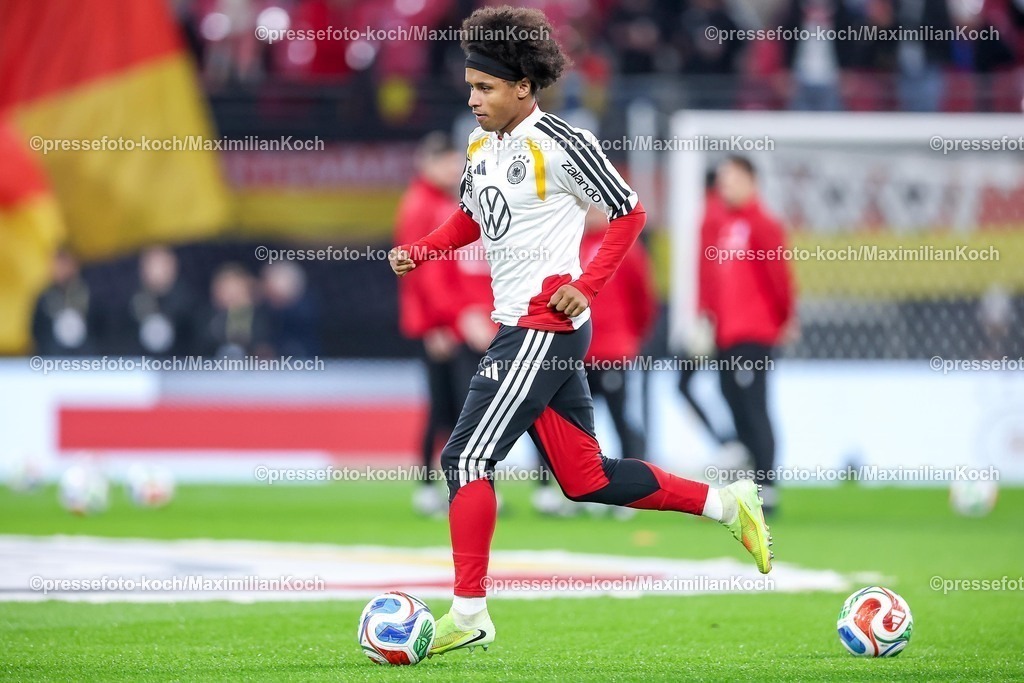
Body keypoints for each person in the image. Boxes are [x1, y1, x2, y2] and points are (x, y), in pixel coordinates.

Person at [388, 6, 773, 657]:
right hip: (530, 329)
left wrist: (585, 285)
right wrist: (424, 249)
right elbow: (470, 219)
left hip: (545, 326)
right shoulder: (482, 147)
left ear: (523, 87)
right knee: (585, 478)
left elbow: (628, 213)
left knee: (465, 458)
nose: (473, 98)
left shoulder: (564, 143)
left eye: (485, 87)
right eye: (469, 85)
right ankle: (726, 503)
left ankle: (470, 610)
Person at [395, 131, 497, 517]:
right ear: (429, 163)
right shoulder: (423, 205)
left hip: (446, 321)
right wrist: (439, 323)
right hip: (440, 324)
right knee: (448, 406)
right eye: (448, 163)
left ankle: (444, 487)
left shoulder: (436, 202)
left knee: (449, 407)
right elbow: (421, 270)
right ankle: (437, 487)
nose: (455, 170)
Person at [700, 155, 796, 514]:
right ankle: (751, 476)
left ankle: (767, 485)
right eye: (722, 180)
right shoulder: (724, 225)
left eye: (731, 179)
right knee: (733, 398)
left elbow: (779, 279)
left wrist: (783, 320)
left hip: (755, 332)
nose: (724, 186)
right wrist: (708, 319)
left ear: (750, 181)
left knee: (755, 404)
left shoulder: (764, 224)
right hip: (726, 333)